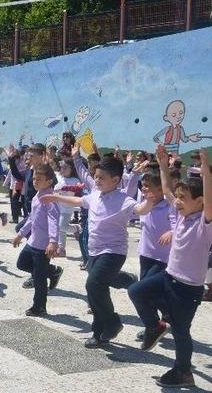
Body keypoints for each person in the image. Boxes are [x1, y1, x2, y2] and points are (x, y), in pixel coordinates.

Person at [42, 146, 156, 348]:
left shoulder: (124, 199)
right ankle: (100, 329)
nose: (97, 180)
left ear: (116, 180)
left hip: (113, 252)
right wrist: (57, 197)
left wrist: (149, 201)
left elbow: (140, 209)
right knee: (95, 290)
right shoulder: (95, 194)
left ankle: (111, 323)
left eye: (102, 178)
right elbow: (79, 200)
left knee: (93, 285)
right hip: (95, 250)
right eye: (96, 177)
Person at [127, 145, 212, 388]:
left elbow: (209, 201)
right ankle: (155, 326)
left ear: (201, 202)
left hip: (188, 288)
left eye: (184, 199)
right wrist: (163, 164)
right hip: (168, 277)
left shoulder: (205, 225)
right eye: (179, 198)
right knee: (136, 291)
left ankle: (183, 372)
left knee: (181, 331)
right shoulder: (182, 215)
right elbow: (166, 190)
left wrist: (206, 171)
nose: (178, 202)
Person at [12, 164, 64, 317]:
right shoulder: (37, 196)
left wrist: (53, 241)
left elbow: (54, 221)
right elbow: (31, 219)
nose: (35, 181)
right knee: (22, 263)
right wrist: (20, 234)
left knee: (39, 279)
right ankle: (53, 272)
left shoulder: (49, 198)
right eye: (34, 178)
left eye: (39, 179)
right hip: (33, 241)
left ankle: (39, 306)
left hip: (43, 245)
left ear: (49, 181)